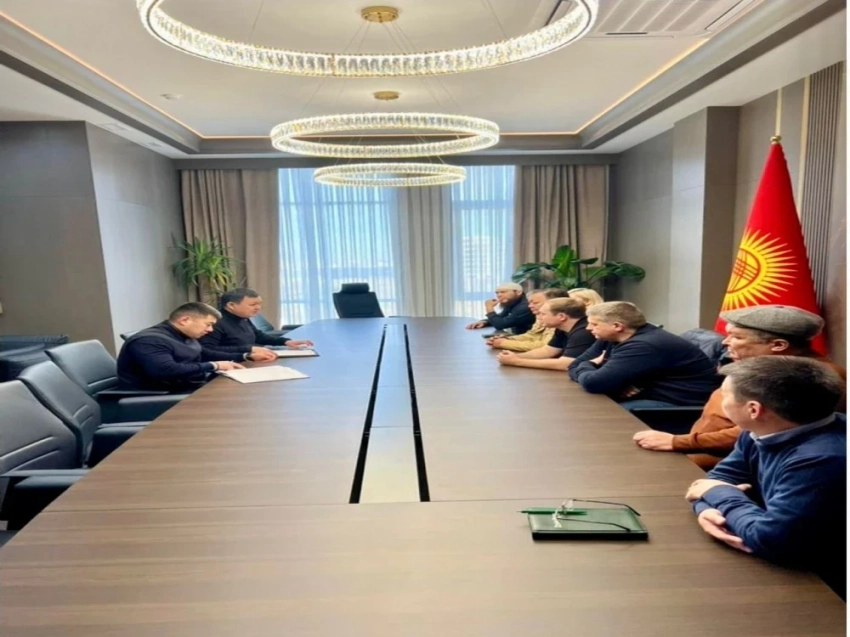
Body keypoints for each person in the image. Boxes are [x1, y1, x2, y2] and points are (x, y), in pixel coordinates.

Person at [685, 356, 846, 597]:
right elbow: (716, 479)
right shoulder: (761, 430)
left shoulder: (823, 459)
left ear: (754, 409)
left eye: (724, 395)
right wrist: (706, 511)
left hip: (825, 585)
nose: (721, 400)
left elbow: (771, 539)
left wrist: (717, 494)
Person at [633, 305, 846, 469]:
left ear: (778, 345)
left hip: (726, 467)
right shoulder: (762, 367)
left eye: (736, 337)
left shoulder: (806, 378)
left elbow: (756, 432)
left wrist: (677, 442)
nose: (725, 342)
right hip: (698, 456)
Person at [568, 301, 720, 408]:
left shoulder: (644, 345)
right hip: (649, 394)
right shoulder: (611, 337)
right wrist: (610, 382)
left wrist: (588, 364)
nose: (588, 328)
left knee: (601, 414)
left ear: (617, 326)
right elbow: (574, 366)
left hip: (678, 405)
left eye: (594, 324)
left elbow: (594, 383)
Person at [117, 303, 248, 393]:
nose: (210, 330)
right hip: (160, 396)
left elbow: (204, 353)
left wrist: (244, 356)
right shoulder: (149, 340)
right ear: (184, 320)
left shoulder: (182, 334)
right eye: (208, 324)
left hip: (188, 387)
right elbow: (167, 370)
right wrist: (214, 365)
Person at [200, 288, 313, 362]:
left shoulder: (242, 318)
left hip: (249, 360)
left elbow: (258, 336)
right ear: (231, 305)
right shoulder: (215, 323)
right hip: (228, 366)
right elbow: (208, 350)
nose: (258, 308)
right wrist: (249, 349)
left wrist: (285, 342)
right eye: (253, 304)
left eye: (259, 304)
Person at [497, 297, 595, 370]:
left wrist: (517, 361)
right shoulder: (562, 328)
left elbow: (565, 364)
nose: (539, 317)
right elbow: (548, 351)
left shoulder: (584, 332)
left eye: (543, 314)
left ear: (561, 316)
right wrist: (516, 356)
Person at [486, 289, 568, 352]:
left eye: (535, 303)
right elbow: (532, 335)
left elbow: (545, 346)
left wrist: (504, 343)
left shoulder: (557, 320)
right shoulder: (539, 315)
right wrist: (508, 339)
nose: (529, 306)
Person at [465, 283, 535, 335]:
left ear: (518, 292)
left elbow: (500, 324)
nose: (499, 295)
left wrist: (489, 308)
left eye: (503, 292)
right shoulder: (512, 302)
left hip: (528, 340)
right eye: (497, 293)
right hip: (520, 337)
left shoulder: (525, 306)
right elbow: (501, 317)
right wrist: (484, 322)